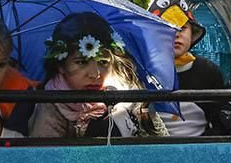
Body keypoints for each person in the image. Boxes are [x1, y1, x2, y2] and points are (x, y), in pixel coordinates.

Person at [29, 12, 168, 138]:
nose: (95, 74)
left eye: (103, 62)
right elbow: (46, 159)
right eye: (81, 62)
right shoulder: (53, 103)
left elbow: (162, 143)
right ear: (61, 66)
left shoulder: (130, 92)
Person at [149, 0, 227, 136]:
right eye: (168, 28)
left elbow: (220, 122)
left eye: (182, 28)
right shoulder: (140, 70)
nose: (176, 34)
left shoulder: (209, 71)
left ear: (192, 34)